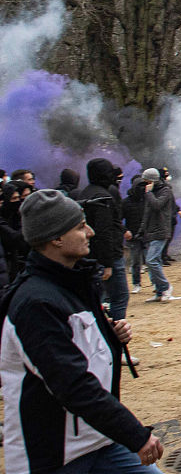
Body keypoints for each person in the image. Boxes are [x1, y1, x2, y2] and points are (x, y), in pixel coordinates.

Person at [0, 189, 165, 472]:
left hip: (102, 440)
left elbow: (75, 346)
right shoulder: (35, 302)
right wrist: (134, 434)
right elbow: (71, 383)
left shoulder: (74, 282)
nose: (90, 232)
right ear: (56, 238)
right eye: (80, 226)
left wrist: (108, 337)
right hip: (53, 455)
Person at [70, 158, 129, 321]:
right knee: (120, 296)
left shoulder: (85, 193)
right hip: (106, 256)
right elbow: (104, 232)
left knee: (98, 297)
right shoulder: (103, 197)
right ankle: (114, 334)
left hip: (90, 254)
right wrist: (108, 263)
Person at [140, 169, 176, 303]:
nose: (146, 185)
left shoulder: (166, 190)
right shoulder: (151, 193)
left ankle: (166, 287)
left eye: (147, 182)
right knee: (156, 262)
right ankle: (159, 291)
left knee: (151, 260)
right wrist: (142, 230)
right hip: (150, 230)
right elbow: (147, 212)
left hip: (161, 230)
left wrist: (149, 193)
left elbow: (156, 205)